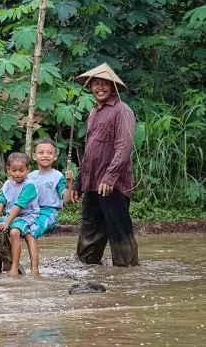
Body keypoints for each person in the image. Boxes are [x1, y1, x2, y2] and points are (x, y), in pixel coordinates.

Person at [70, 63, 138, 266]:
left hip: (113, 184)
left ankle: (126, 271)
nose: (100, 88)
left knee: (118, 228)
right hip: (92, 182)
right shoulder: (92, 114)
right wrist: (79, 182)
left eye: (105, 84)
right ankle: (87, 266)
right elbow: (90, 151)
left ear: (113, 87)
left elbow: (123, 147)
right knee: (90, 227)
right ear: (90, 87)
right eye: (96, 84)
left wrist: (109, 177)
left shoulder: (122, 111)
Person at [0, 152, 40, 276]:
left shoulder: (29, 185)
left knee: (14, 232)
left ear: (28, 170)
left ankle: (14, 267)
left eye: (21, 170)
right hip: (10, 216)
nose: (17, 173)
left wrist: (6, 222)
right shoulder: (7, 184)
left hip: (27, 216)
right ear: (8, 169)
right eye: (14, 170)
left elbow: (19, 206)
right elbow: (0, 202)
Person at [29, 138, 66, 239]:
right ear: (34, 156)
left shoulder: (58, 176)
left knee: (32, 232)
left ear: (55, 157)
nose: (45, 155)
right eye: (41, 152)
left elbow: (66, 197)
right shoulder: (30, 176)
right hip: (30, 211)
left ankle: (33, 255)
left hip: (48, 212)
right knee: (4, 224)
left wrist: (70, 184)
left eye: (49, 153)